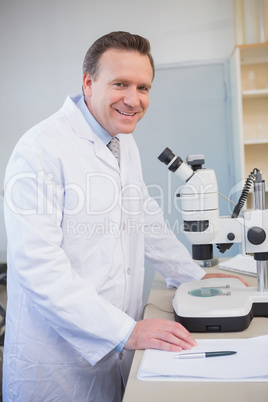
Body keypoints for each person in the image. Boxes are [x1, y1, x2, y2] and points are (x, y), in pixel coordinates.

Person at [3, 31, 247, 402]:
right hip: (56, 366)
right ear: (89, 83)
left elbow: (144, 218)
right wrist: (123, 332)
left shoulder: (122, 141)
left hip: (116, 349)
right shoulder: (40, 150)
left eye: (143, 87)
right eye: (121, 84)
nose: (133, 99)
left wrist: (192, 274)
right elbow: (38, 267)